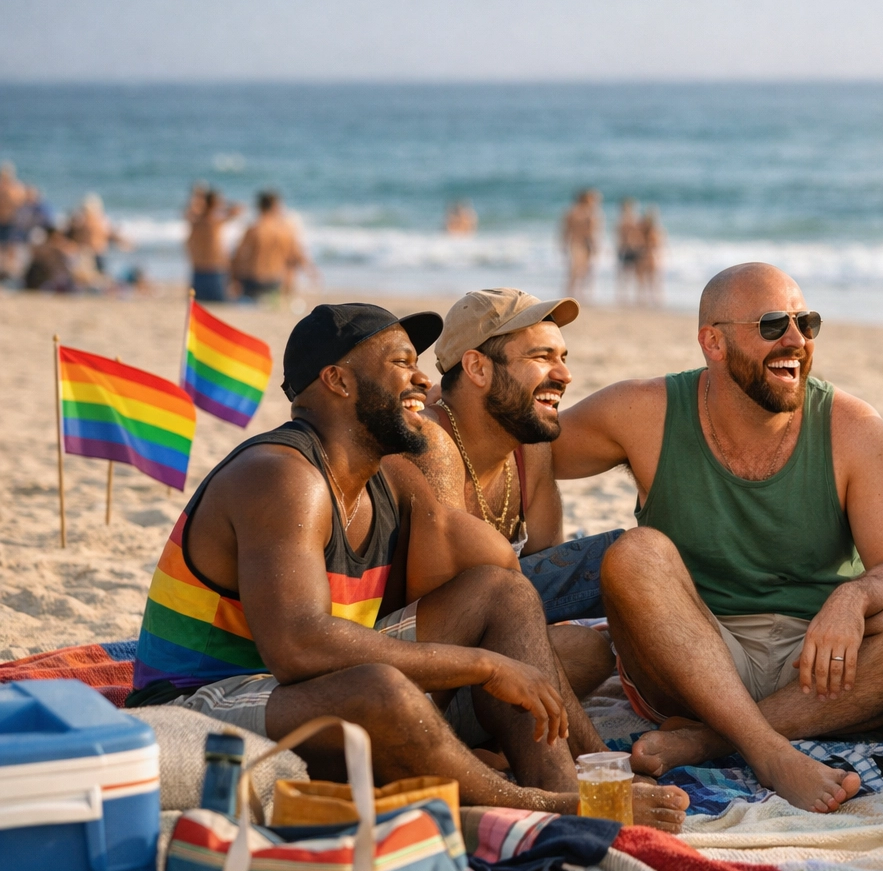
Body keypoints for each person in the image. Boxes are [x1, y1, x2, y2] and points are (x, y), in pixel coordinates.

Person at [126, 302, 688, 829]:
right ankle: (548, 806)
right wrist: (484, 667)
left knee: (501, 595)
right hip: (205, 694)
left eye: (419, 365)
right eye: (401, 364)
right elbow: (297, 646)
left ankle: (573, 779)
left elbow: (494, 568)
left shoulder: (386, 475)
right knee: (383, 688)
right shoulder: (281, 476)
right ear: (338, 381)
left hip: (305, 680)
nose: (423, 379)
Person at [553, 262, 883, 813]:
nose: (796, 340)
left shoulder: (851, 425)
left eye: (806, 323)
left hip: (816, 666)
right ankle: (769, 751)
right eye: (772, 325)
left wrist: (852, 597)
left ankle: (713, 740)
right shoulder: (644, 410)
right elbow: (529, 446)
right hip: (691, 656)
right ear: (712, 342)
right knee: (635, 553)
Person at [395, 287, 623, 696]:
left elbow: (543, 557)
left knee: (629, 556)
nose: (565, 375)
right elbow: (442, 608)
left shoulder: (528, 445)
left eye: (562, 358)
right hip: (426, 644)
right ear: (477, 369)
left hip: (499, 616)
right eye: (542, 357)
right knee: (587, 649)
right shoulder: (428, 443)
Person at [231, 189, 311, 301]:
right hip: (275, 283)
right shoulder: (285, 230)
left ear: (259, 207)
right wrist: (311, 273)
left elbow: (238, 256)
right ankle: (286, 294)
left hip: (253, 283)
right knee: (290, 263)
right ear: (275, 207)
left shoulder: (254, 229)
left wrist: (233, 279)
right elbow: (298, 255)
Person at [185, 186, 243, 302]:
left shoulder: (196, 221)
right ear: (215, 203)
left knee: (200, 303)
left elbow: (189, 211)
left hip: (199, 271)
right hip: (215, 271)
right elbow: (238, 209)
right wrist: (224, 204)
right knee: (220, 303)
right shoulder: (215, 221)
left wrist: (199, 198)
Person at [66, 193, 130, 281]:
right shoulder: (100, 221)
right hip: (95, 253)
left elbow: (69, 236)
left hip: (88, 254)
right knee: (99, 274)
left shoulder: (79, 222)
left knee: (93, 275)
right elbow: (111, 235)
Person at [561, 188, 602, 298]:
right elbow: (591, 233)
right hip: (583, 244)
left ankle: (572, 293)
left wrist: (563, 245)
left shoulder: (571, 212)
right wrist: (595, 246)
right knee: (581, 270)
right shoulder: (589, 214)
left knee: (576, 271)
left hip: (574, 243)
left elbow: (565, 231)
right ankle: (578, 293)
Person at [22, 224, 78, 293]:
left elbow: (73, 257)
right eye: (54, 239)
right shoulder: (43, 249)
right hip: (45, 283)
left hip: (64, 283)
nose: (57, 241)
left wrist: (60, 248)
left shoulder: (65, 249)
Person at [0, 162, 28, 281]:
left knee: (11, 247)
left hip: (11, 221)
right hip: (5, 220)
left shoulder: (15, 188)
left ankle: (9, 274)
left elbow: (20, 202)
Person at [615, 198, 643, 303]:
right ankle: (625, 296)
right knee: (626, 273)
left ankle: (634, 296)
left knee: (635, 273)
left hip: (630, 248)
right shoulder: (628, 220)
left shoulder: (629, 220)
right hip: (627, 249)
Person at [637, 206, 665, 307]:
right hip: (651, 256)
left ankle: (645, 299)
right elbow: (658, 245)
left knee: (645, 280)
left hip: (644, 256)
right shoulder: (654, 231)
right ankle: (655, 299)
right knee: (652, 280)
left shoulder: (645, 231)